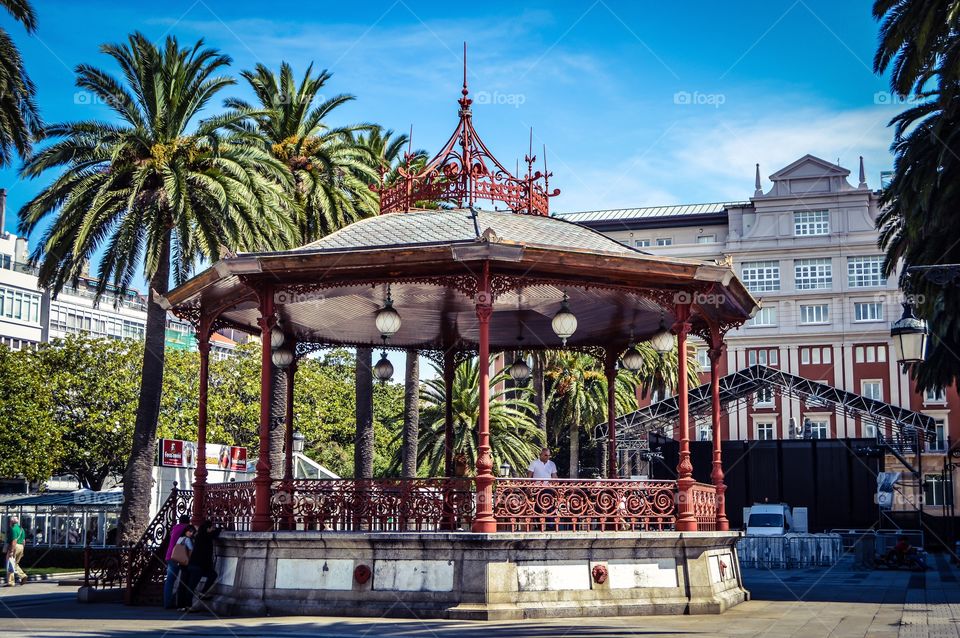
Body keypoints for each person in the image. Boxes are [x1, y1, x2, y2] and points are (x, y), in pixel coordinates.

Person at [186, 520, 221, 610]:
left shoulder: (199, 536)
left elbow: (213, 533)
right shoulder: (205, 536)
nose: (213, 529)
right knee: (192, 586)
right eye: (211, 528)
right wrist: (219, 529)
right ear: (208, 528)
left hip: (198, 565)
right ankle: (188, 606)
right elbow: (215, 533)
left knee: (212, 575)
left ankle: (202, 593)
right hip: (197, 566)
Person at [163, 515, 191, 609]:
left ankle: (167, 602)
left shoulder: (175, 528)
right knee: (182, 580)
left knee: (170, 581)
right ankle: (179, 602)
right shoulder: (186, 528)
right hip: (180, 557)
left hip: (170, 555)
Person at [173, 526, 196, 610]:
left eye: (192, 532)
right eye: (190, 531)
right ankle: (184, 605)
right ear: (186, 531)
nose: (191, 533)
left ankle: (179, 604)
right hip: (186, 563)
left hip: (181, 562)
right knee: (185, 584)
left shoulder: (180, 538)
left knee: (181, 584)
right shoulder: (187, 540)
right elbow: (191, 550)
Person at [5, 516, 27, 586]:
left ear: (11, 522)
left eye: (10, 521)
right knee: (15, 563)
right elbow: (24, 541)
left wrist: (11, 551)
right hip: (21, 547)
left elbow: (14, 541)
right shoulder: (21, 529)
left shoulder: (13, 529)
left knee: (10, 563)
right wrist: (22, 550)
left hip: (14, 547)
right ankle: (23, 575)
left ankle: (11, 582)